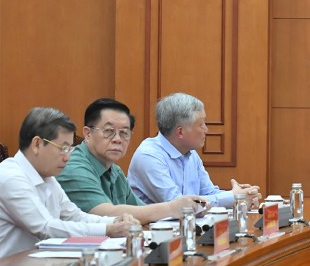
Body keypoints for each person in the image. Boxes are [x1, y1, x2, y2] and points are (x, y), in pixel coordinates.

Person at [0, 108, 135, 257]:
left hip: (40, 263)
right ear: (37, 144)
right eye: (63, 148)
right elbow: (45, 227)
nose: (67, 157)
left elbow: (75, 216)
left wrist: (115, 221)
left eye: (70, 149)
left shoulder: (48, 177)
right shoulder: (10, 177)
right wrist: (107, 230)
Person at [57, 98, 200, 222]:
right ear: (88, 134)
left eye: (124, 133)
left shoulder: (115, 171)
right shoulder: (73, 166)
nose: (118, 139)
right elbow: (104, 213)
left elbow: (140, 211)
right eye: (109, 131)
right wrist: (171, 208)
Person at [128, 93, 260, 208]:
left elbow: (209, 193)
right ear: (180, 132)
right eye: (201, 124)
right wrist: (232, 197)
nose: (206, 130)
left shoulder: (190, 153)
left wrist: (243, 196)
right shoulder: (149, 156)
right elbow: (179, 205)